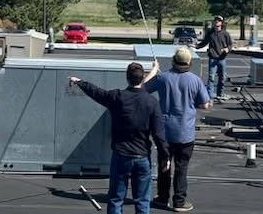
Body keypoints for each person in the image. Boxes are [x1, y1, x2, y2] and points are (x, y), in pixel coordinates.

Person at [68, 62, 170, 214]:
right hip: (142, 157)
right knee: (142, 200)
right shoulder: (151, 102)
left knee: (116, 199)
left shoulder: (118, 97)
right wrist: (165, 157)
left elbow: (97, 93)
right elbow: (159, 135)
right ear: (142, 78)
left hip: (121, 155)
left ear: (127, 78)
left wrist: (79, 82)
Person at [143, 49, 211, 212]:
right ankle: (179, 201)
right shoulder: (195, 80)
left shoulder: (163, 77)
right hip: (185, 132)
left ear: (173, 60)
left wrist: (154, 70)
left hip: (165, 131)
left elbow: (142, 89)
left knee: (164, 165)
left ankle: (162, 197)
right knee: (182, 167)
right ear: (189, 63)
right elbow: (205, 104)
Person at [195, 15, 233, 101]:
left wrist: (227, 49)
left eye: (219, 21)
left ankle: (220, 94)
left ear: (221, 23)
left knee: (222, 78)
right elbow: (204, 43)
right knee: (211, 78)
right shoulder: (210, 33)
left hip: (222, 58)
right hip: (212, 58)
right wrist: (196, 46)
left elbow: (230, 45)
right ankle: (210, 95)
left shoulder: (225, 34)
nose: (217, 22)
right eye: (216, 20)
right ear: (213, 22)